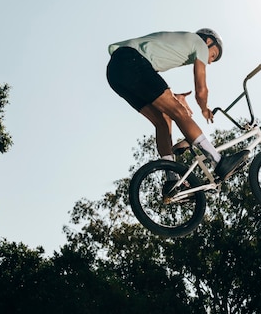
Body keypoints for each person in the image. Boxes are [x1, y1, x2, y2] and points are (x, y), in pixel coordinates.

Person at [106, 29, 249, 194]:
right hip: (131, 60)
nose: (210, 61)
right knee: (179, 113)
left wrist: (174, 96)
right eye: (213, 55)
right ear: (209, 41)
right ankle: (218, 161)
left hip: (116, 73)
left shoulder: (179, 44)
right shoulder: (200, 43)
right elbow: (201, 89)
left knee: (163, 119)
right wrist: (204, 108)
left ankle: (172, 181)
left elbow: (147, 78)